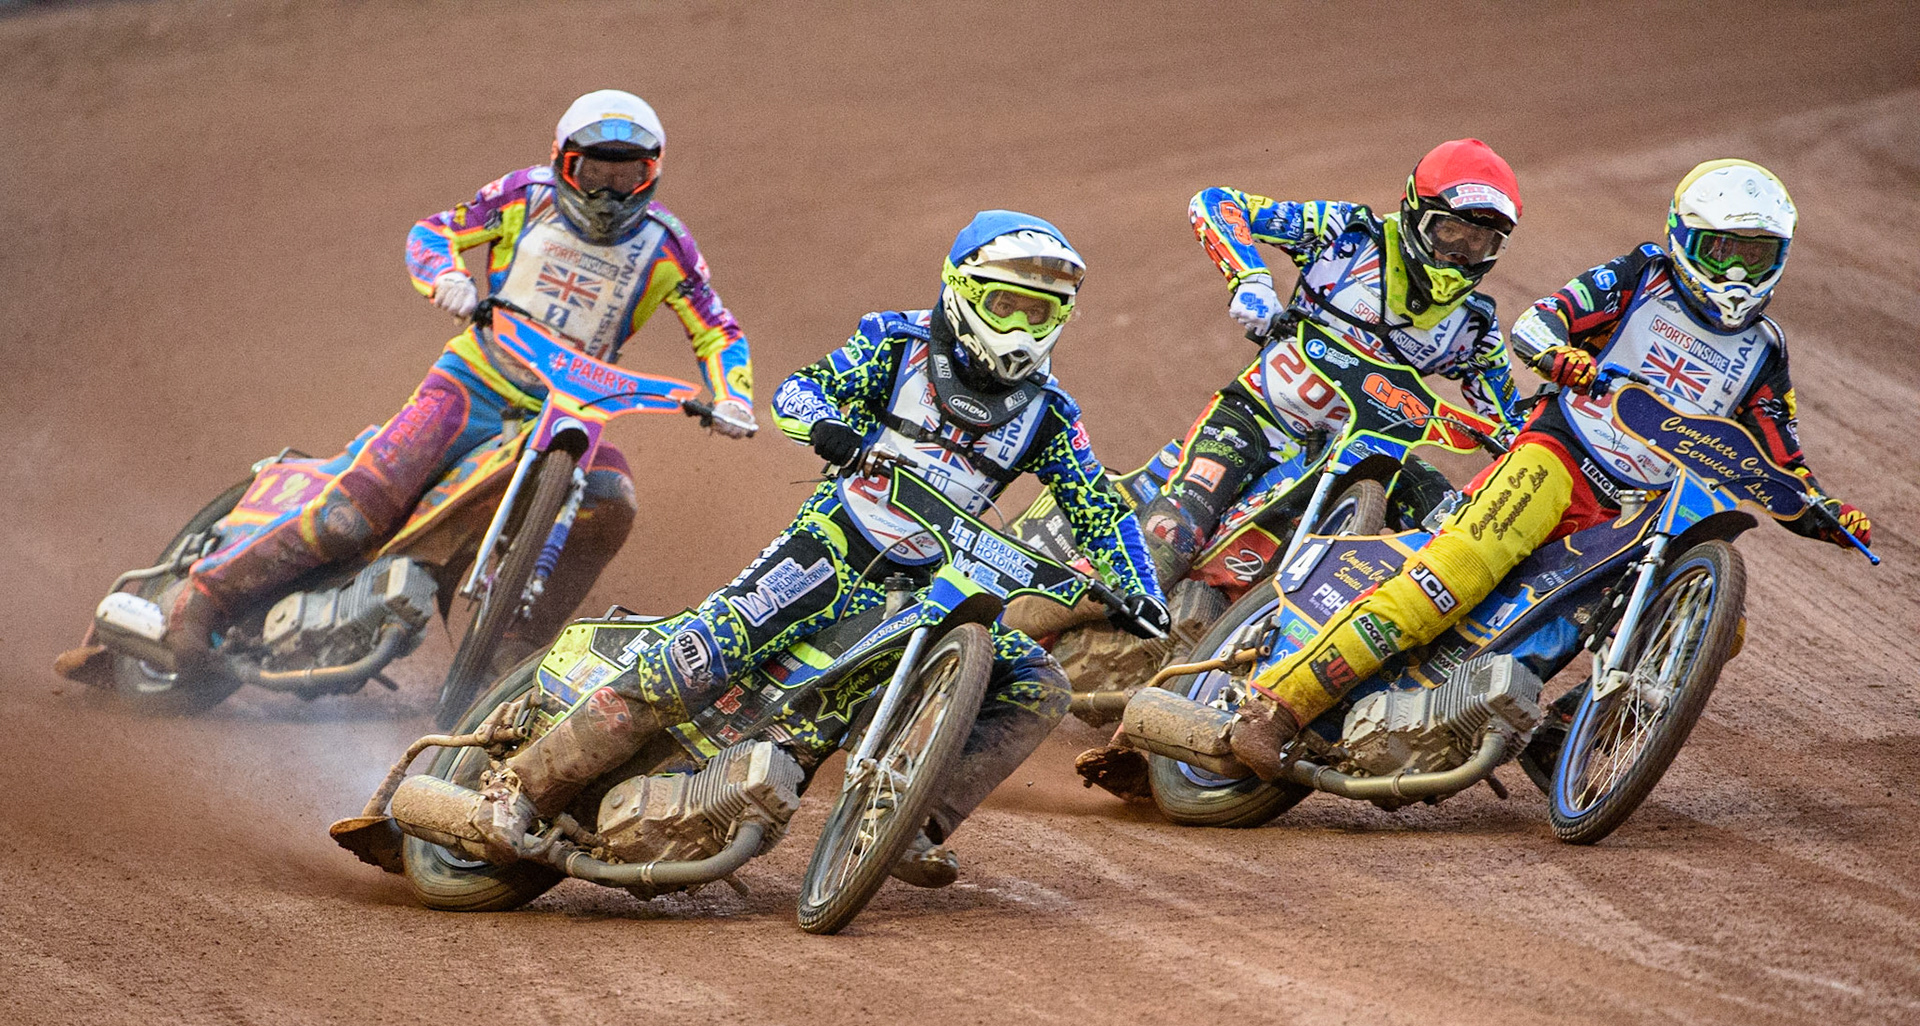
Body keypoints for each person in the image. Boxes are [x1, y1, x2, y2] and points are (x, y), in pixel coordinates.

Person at [469, 211, 1169, 887]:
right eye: (1008, 305)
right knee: (695, 663)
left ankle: (907, 823)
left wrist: (1141, 590)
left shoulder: (1051, 415)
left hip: (929, 587)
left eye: (1041, 313)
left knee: (1036, 683)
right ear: (962, 291)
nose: (1021, 329)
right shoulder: (898, 346)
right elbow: (799, 391)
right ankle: (518, 788)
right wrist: (827, 427)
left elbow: (1102, 511)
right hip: (830, 549)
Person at [1214, 159, 1873, 778]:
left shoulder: (1764, 349)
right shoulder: (1641, 275)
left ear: (1777, 258)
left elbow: (1781, 458)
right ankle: (1277, 704)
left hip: (1637, 508)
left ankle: (1566, 727)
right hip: (1559, 453)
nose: (1734, 272)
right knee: (1457, 574)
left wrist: (1827, 512)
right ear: (1682, 237)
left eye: (1752, 255)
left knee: (1715, 623)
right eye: (1720, 250)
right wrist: (1560, 356)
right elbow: (1538, 322)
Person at [162, 90, 757, 671]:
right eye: (593, 171)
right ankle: (207, 595)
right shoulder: (523, 196)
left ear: (652, 174)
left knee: (611, 500)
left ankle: (516, 650)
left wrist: (734, 397)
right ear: (562, 162)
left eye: (627, 176)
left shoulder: (669, 245)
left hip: (573, 410)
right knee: (357, 511)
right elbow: (433, 231)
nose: (608, 191)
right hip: (473, 382)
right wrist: (445, 275)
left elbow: (718, 331)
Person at [1133, 138, 1529, 585]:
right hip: (1260, 418)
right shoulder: (1347, 235)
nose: (1458, 255)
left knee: (1452, 526)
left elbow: (1513, 426)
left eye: (1479, 243)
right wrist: (1251, 279)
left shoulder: (1473, 326)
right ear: (1417, 214)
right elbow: (1217, 204)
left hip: (1369, 449)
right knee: (1173, 536)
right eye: (1449, 232)